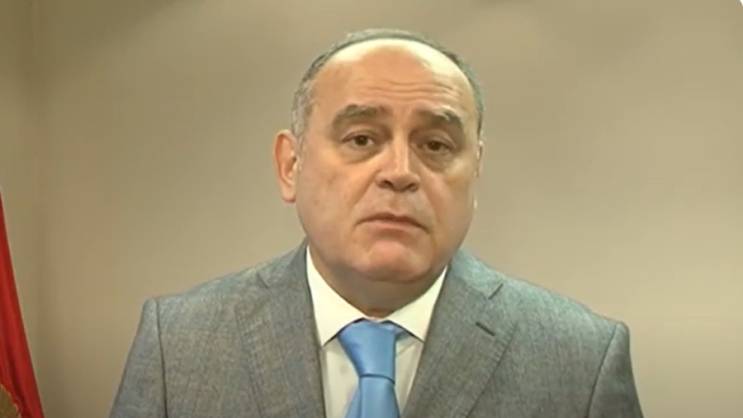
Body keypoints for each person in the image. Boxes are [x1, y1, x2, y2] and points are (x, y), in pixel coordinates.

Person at [109, 28, 643, 418]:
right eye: (362, 139)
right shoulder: (179, 346)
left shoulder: (579, 363)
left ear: (475, 171)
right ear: (291, 166)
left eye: (436, 145)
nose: (400, 172)